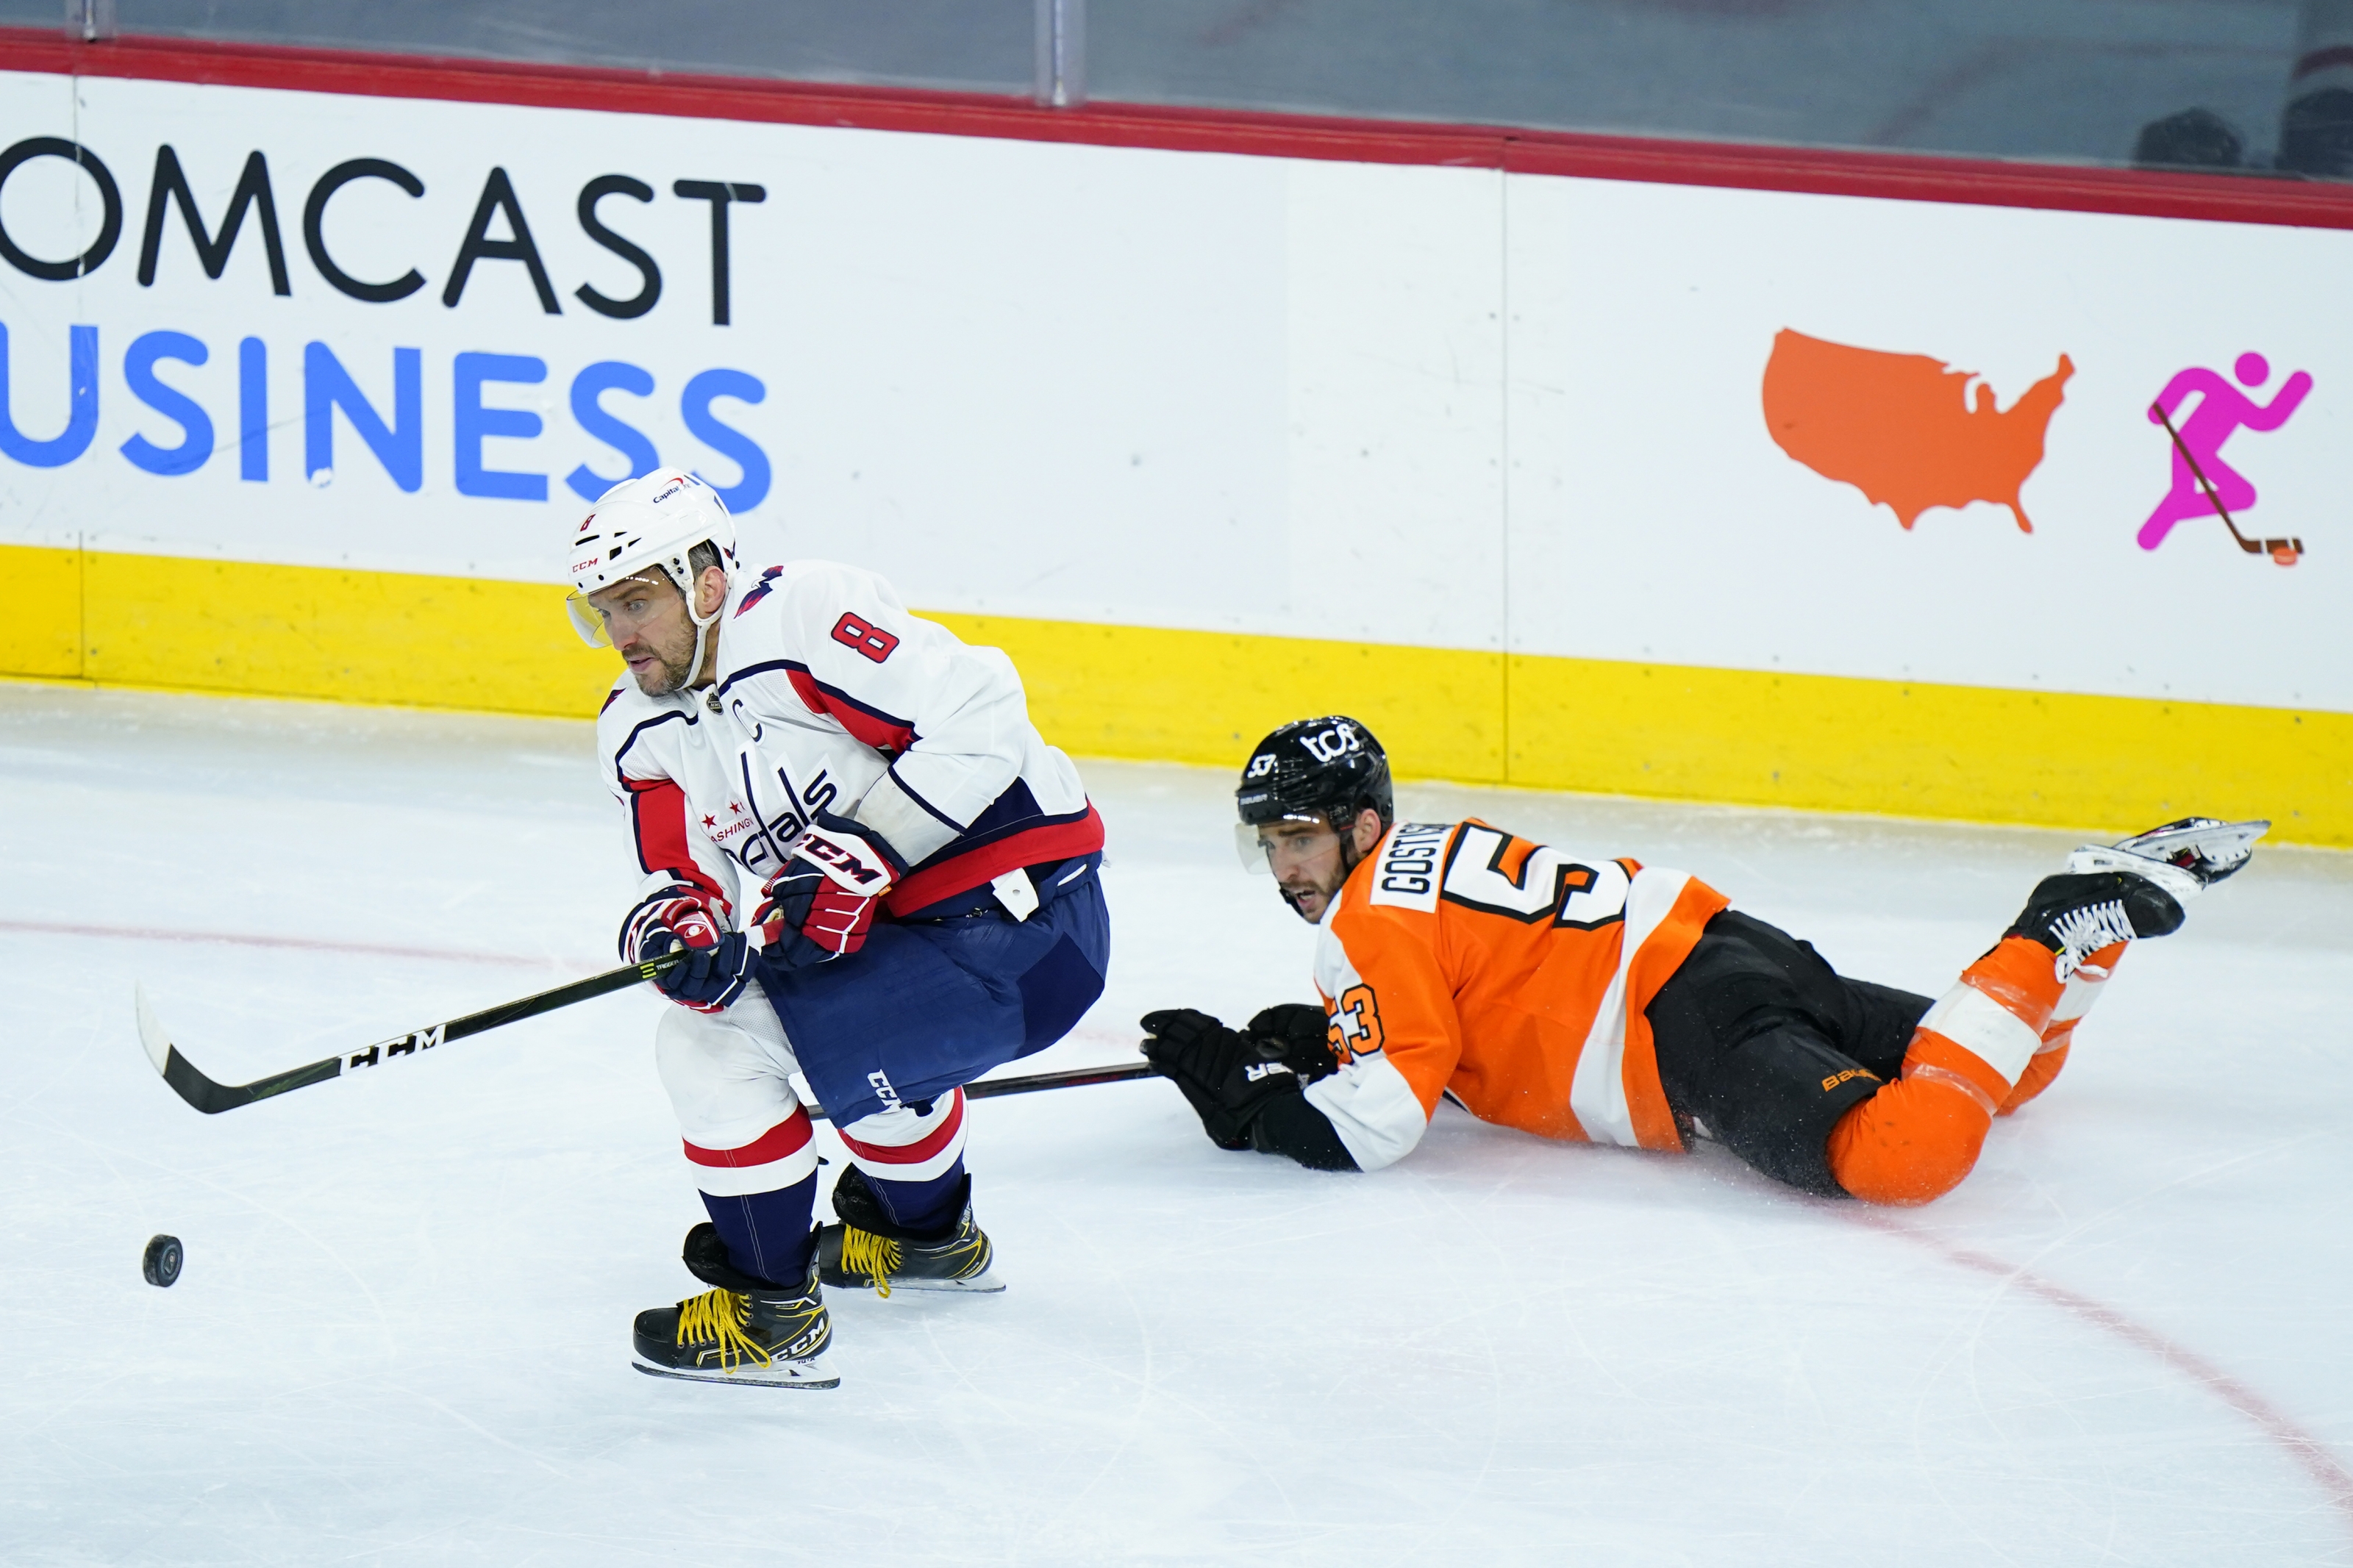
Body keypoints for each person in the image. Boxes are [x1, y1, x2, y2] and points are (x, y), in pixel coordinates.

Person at [1140, 716, 2260, 1206]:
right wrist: (1328, 1033)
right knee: (2003, 1064)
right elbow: (1464, 993)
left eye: (1297, 836)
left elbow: (1379, 1125)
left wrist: (1255, 1107)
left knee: (1900, 1158)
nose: (1283, 863)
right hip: (1729, 948)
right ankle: (2099, 919)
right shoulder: (1420, 862)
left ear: (1361, 826)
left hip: (1679, 1028)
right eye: (1269, 841)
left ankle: (2057, 916)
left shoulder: (1365, 921)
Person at [566, 470, 1110, 1388]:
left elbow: (982, 715)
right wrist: (683, 931)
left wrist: (864, 854)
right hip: (929, 949)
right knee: (820, 1016)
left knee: (714, 1052)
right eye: (600, 611)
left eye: (638, 600)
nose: (621, 634)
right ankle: (923, 1236)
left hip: (1022, 924)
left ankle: (769, 1313)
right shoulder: (639, 730)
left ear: (705, 582)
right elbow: (675, 874)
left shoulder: (801, 617)